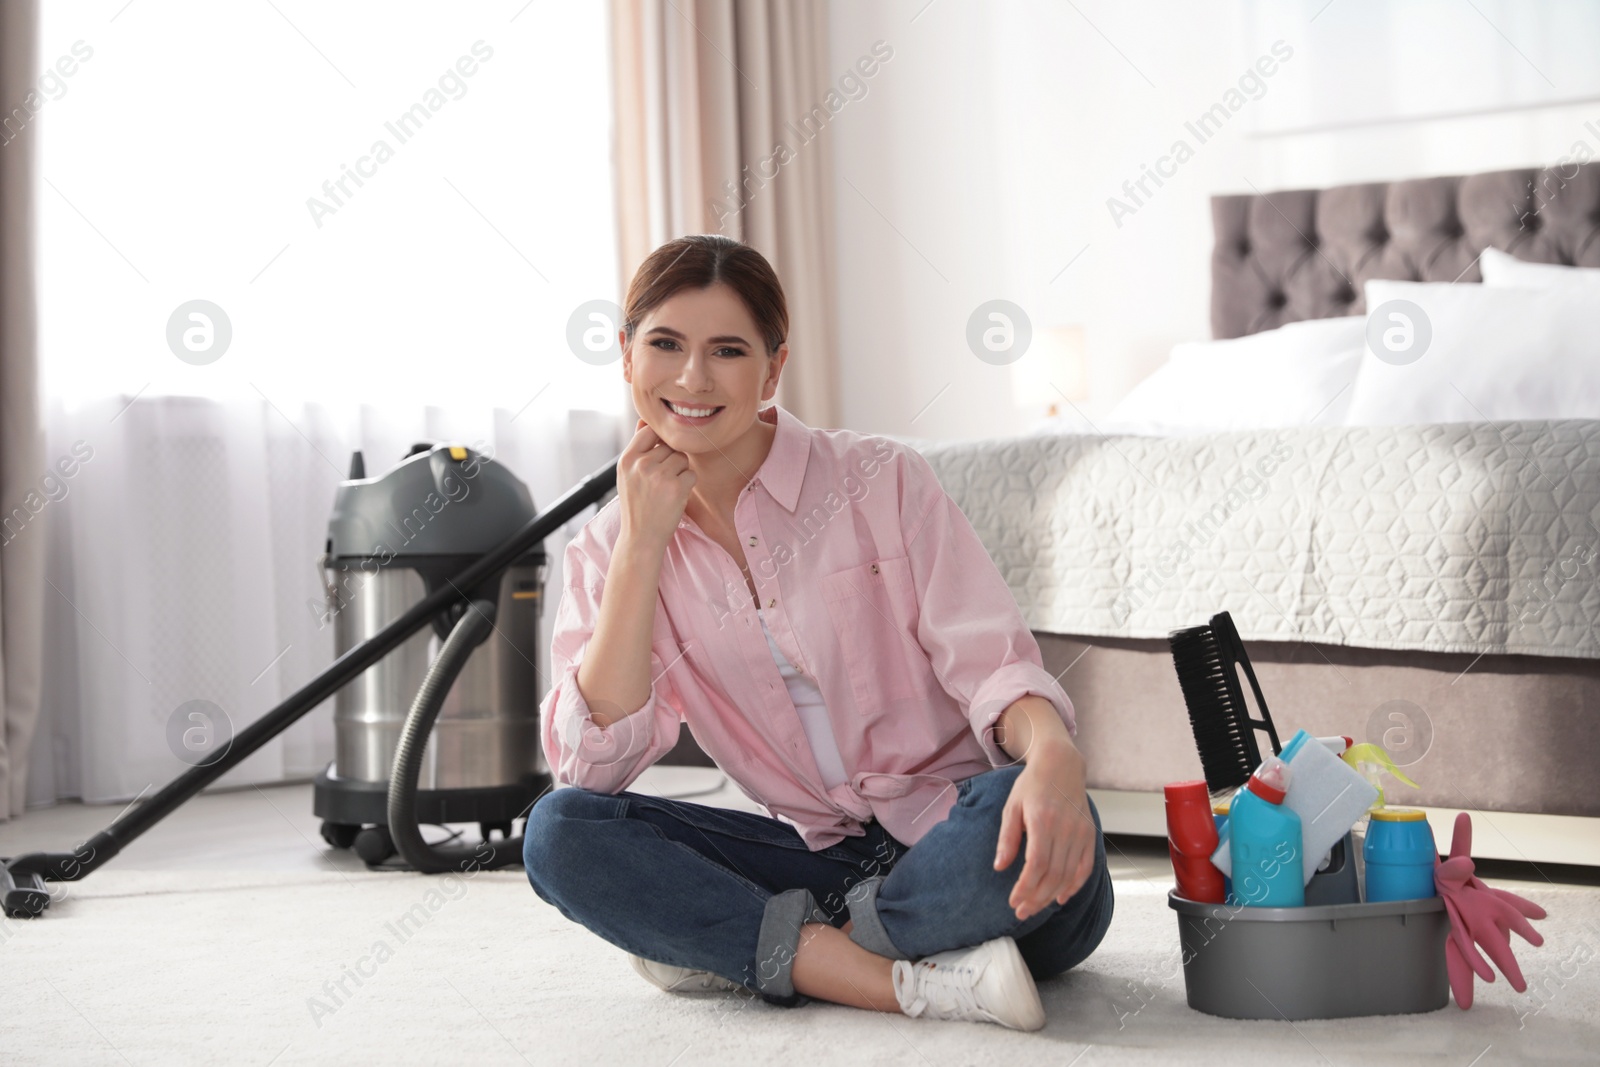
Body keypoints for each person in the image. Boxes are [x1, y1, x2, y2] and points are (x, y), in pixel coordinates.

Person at [522, 234, 1113, 1031]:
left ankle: (752, 943)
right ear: (627, 355)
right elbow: (591, 769)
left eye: (727, 351)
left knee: (1024, 815)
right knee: (560, 834)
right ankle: (899, 977)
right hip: (822, 857)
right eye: (665, 344)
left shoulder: (881, 478)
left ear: (771, 370)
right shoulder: (608, 548)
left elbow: (993, 665)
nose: (692, 378)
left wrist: (1054, 757)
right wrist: (641, 546)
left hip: (963, 837)